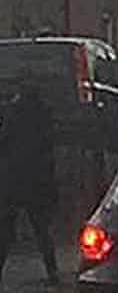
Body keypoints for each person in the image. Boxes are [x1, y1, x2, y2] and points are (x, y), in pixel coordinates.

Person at [0, 82, 60, 286]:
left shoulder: (12, 112)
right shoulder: (44, 112)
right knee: (42, 229)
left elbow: (4, 140)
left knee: (6, 230)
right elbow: (50, 142)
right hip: (38, 179)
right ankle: (53, 273)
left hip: (14, 179)